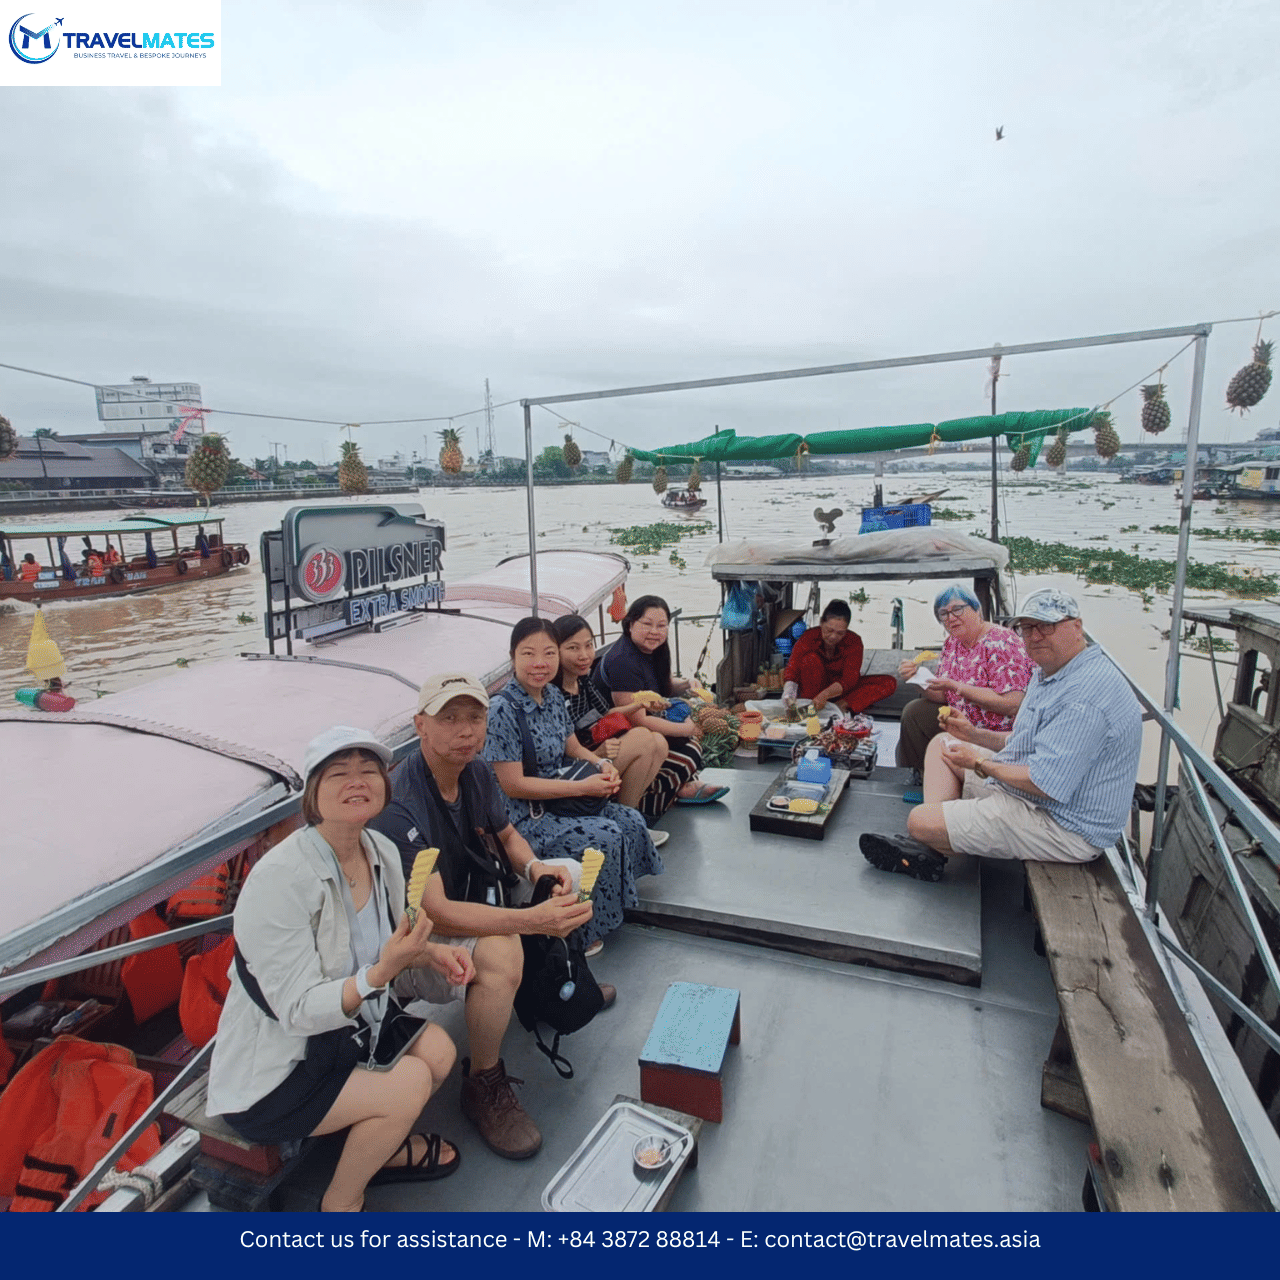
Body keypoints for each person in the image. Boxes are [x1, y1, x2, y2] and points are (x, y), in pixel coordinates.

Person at [207, 726, 472, 1212]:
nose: (357, 781)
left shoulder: (380, 851)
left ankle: (377, 1150)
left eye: (369, 770)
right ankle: (341, 1204)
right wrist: (379, 975)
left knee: (439, 1051)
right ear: (312, 794)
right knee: (411, 1082)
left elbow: (384, 942)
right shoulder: (278, 880)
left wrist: (431, 953)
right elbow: (296, 1010)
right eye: (338, 774)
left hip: (350, 1032)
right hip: (282, 1065)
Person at [370, 673, 611, 1161]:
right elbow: (437, 914)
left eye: (475, 717)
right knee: (501, 951)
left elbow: (507, 836)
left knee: (565, 875)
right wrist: (532, 921)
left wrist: (537, 870)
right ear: (420, 725)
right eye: (449, 718)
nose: (466, 731)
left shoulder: (475, 772)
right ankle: (483, 1082)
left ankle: (546, 985)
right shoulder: (401, 805)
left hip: (474, 893)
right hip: (411, 946)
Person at [859, 589, 1143, 882]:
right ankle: (937, 840)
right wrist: (974, 734)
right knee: (943, 745)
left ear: (1077, 626)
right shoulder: (1051, 673)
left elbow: (1045, 784)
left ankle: (933, 836)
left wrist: (979, 763)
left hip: (1064, 823)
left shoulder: (1084, 698)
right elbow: (1024, 742)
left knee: (919, 821)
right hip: (1032, 789)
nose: (1035, 636)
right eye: (1028, 628)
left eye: (1047, 626)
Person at [485, 618, 663, 957]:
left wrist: (601, 764)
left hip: (559, 798)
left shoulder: (552, 695)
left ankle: (618, 902)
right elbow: (513, 785)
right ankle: (582, 931)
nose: (540, 663)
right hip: (525, 819)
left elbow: (573, 746)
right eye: (529, 654)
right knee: (605, 835)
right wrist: (582, 789)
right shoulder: (501, 711)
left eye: (548, 653)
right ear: (512, 657)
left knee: (629, 820)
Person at [592, 595, 728, 807]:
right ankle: (658, 800)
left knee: (692, 747)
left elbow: (661, 685)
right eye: (647, 624)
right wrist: (687, 729)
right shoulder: (623, 661)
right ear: (630, 624)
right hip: (616, 737)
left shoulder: (652, 650)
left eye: (661, 625)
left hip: (643, 726)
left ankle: (682, 787)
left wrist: (686, 684)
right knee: (686, 757)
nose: (654, 631)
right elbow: (637, 720)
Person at [552, 613, 671, 837]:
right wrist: (597, 754)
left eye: (589, 646)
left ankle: (628, 820)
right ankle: (628, 826)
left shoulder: (582, 681)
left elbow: (606, 714)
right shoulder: (553, 695)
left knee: (659, 742)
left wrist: (639, 704)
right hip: (574, 771)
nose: (584, 655)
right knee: (643, 738)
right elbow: (559, 752)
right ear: (555, 651)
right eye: (573, 648)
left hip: (595, 752)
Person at [894, 584, 1033, 774]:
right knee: (915, 711)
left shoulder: (1002, 642)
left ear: (977, 610)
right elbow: (944, 695)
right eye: (943, 613)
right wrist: (916, 679)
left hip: (996, 733)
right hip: (961, 720)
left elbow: (1012, 703)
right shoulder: (952, 642)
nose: (951, 618)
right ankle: (917, 774)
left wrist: (957, 686)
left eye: (957, 609)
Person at [782, 599, 897, 714]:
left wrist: (826, 694)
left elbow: (850, 679)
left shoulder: (854, 641)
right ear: (821, 622)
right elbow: (792, 669)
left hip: (841, 691)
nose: (833, 637)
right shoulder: (809, 637)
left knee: (889, 683)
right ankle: (811, 705)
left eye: (840, 633)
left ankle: (840, 706)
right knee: (810, 659)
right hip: (814, 691)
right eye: (829, 630)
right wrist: (789, 694)